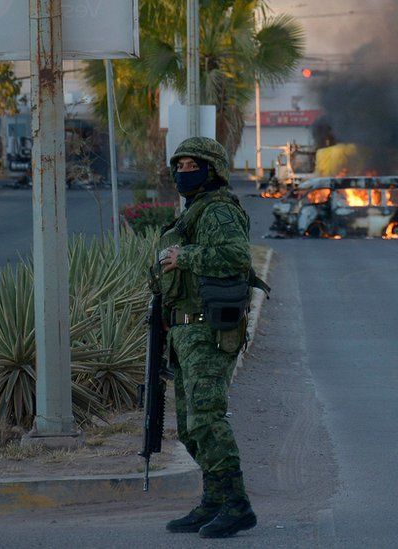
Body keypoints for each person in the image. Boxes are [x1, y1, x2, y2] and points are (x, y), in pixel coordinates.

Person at [158, 137, 257, 538]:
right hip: (185, 329)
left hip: (210, 329)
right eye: (178, 167)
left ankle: (237, 504)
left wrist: (186, 256)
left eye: (191, 166)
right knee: (188, 425)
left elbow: (237, 256)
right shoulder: (194, 211)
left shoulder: (217, 211)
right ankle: (214, 500)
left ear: (211, 170)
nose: (184, 173)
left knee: (206, 418)